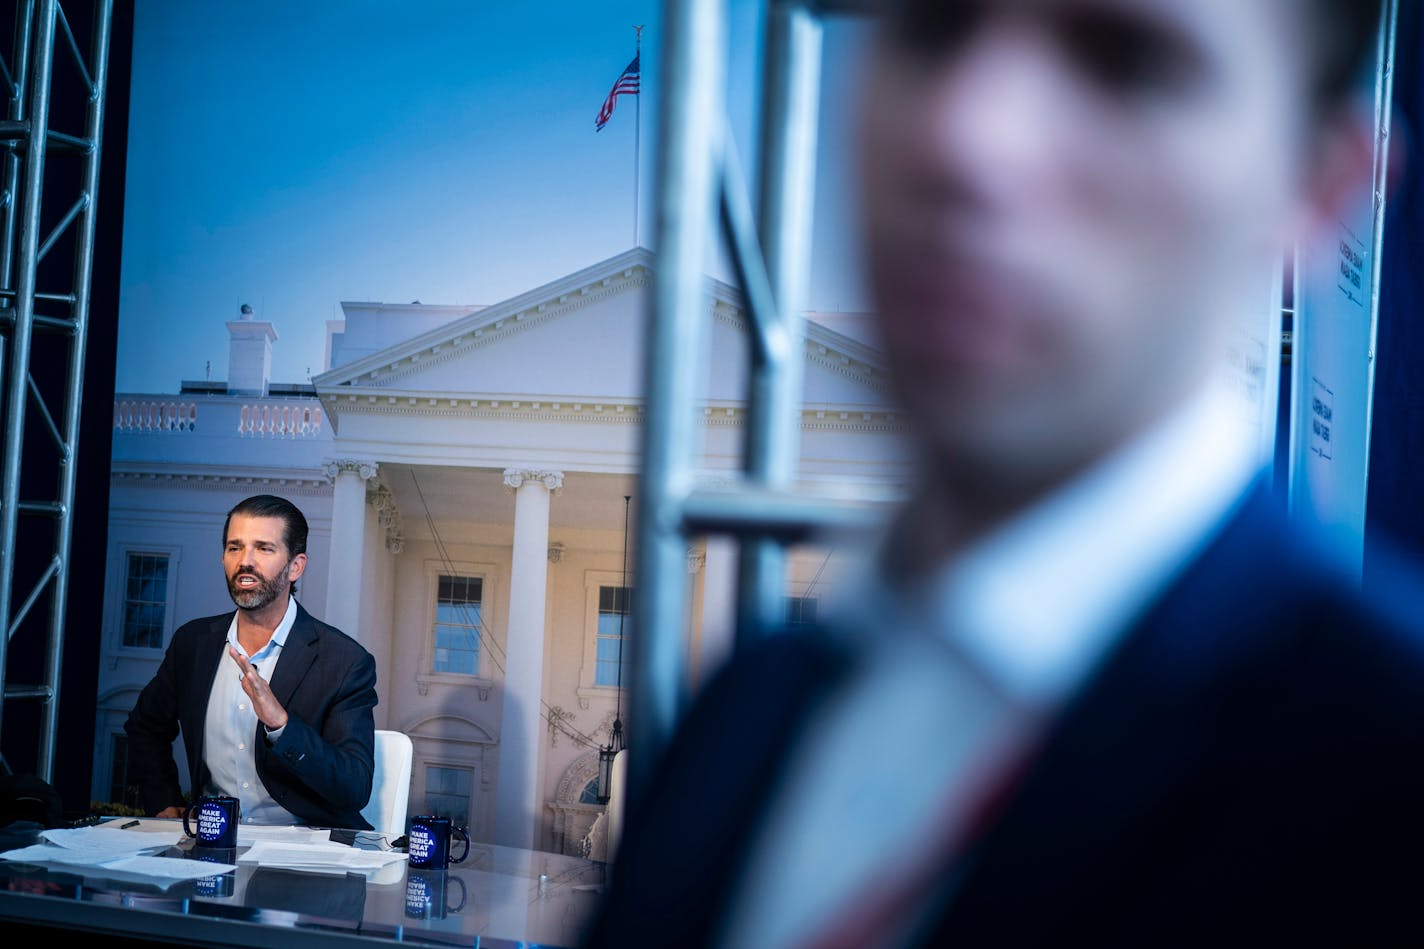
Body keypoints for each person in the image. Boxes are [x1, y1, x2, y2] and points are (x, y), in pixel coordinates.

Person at [585, 0, 1424, 946]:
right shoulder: (744, 711)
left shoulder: (1391, 784)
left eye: (1125, 61)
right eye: (932, 26)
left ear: (1317, 189)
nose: (964, 135)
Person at [124, 494, 378, 829]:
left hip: (306, 851)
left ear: (296, 566)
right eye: (234, 547)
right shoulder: (194, 643)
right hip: (213, 842)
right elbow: (145, 727)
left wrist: (281, 726)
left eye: (263, 548)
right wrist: (163, 801)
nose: (245, 561)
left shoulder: (345, 661)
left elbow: (353, 787)